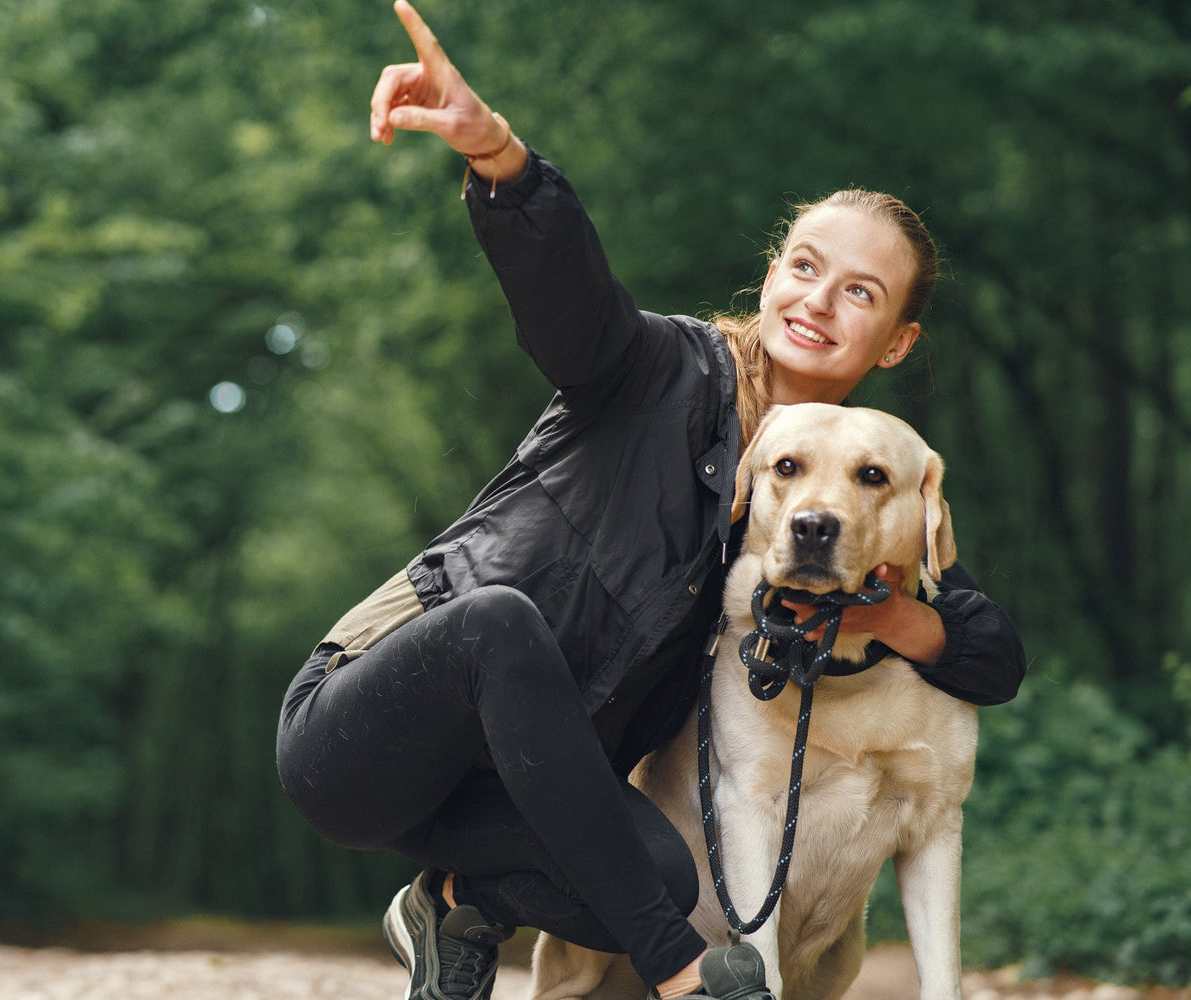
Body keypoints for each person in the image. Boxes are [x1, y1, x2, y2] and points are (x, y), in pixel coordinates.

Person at [276, 4, 1026, 999]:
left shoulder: (846, 492)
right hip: (370, 728)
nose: (817, 299)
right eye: (805, 266)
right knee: (502, 625)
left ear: (895, 341)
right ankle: (687, 980)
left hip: (526, 783)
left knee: (661, 874)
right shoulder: (657, 369)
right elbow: (570, 302)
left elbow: (988, 651)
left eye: (860, 291)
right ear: (770, 277)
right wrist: (497, 156)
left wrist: (884, 613)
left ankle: (456, 898)